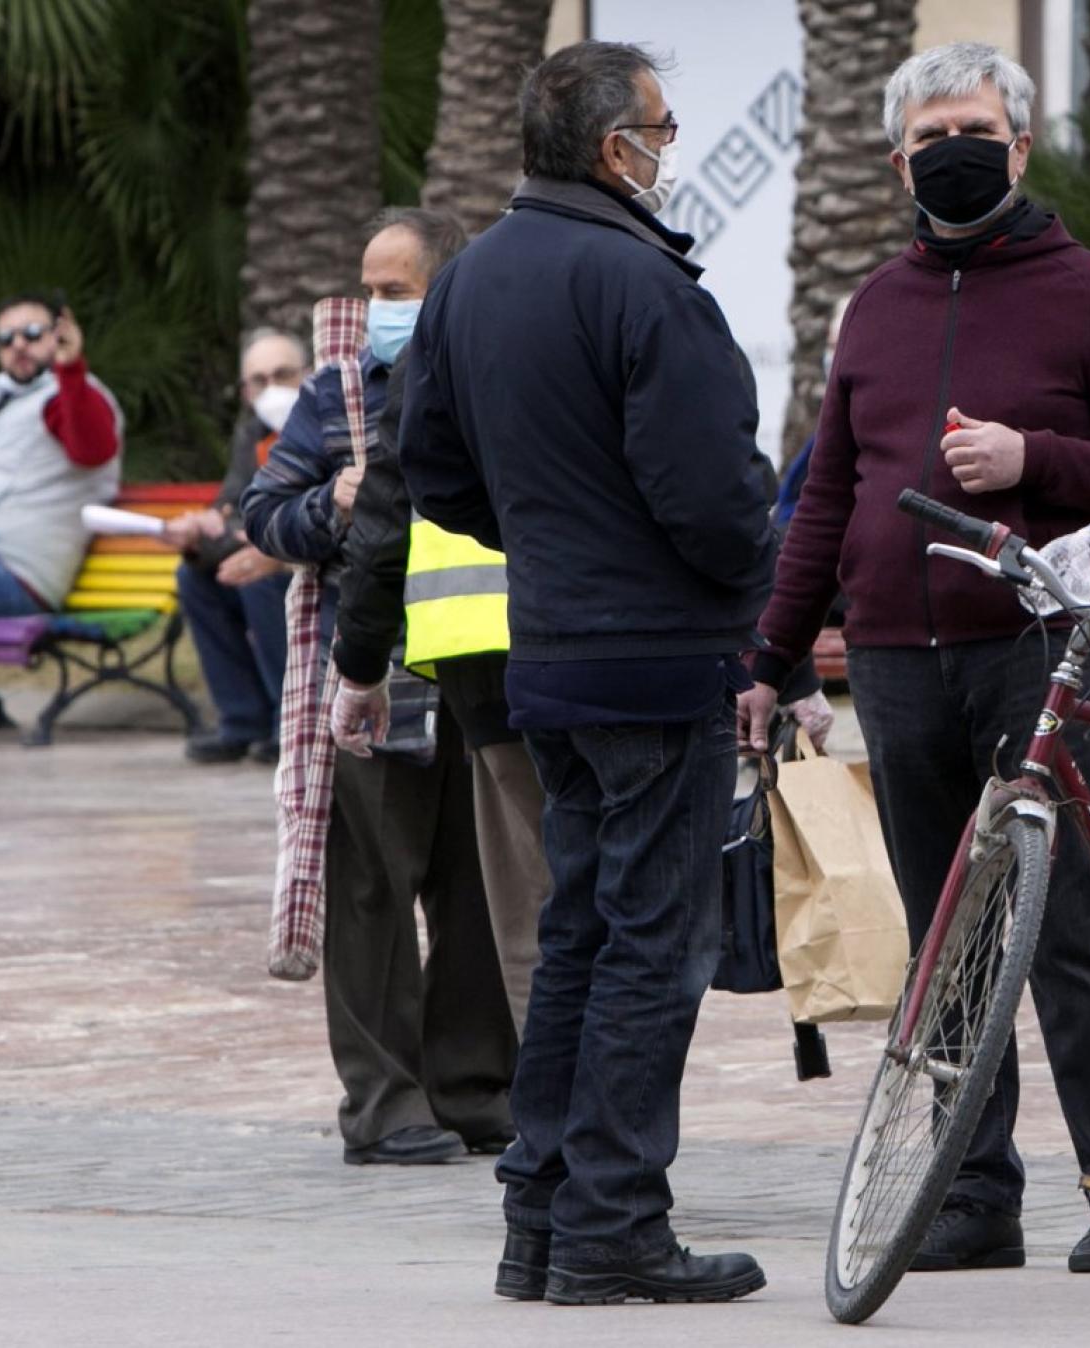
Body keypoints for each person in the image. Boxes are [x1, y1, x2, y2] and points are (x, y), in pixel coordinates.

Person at [739, 41, 1090, 1276]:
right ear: (898, 161)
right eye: (932, 134)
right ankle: (974, 1191)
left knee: (1060, 927)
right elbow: (827, 495)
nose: (954, 149)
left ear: (1022, 145)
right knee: (947, 942)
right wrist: (772, 655)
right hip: (893, 657)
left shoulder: (1088, 288)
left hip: (1038, 647)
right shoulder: (874, 307)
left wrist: (1034, 458)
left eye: (974, 128)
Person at [398, 41, 775, 1307]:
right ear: (618, 151)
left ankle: (545, 1219)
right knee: (647, 945)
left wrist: (552, 538)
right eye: (659, 130)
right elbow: (715, 498)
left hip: (547, 653)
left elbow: (431, 466)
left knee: (578, 932)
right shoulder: (640, 281)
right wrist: (732, 584)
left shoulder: (470, 280)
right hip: (654, 661)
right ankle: (611, 1224)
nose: (668, 150)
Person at [240, 209, 517, 1169]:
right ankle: (384, 1103)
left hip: (482, 676)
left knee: (480, 891)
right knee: (371, 892)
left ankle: (476, 1090)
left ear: (449, 291)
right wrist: (332, 502)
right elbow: (264, 515)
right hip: (378, 683)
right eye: (369, 289)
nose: (374, 310)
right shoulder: (336, 396)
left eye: (396, 292)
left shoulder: (495, 381)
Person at [326, 300, 547, 1038]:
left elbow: (388, 507)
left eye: (393, 285)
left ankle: (552, 1112)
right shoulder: (624, 298)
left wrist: (358, 666)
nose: (377, 306)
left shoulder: (450, 325)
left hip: (474, 654)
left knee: (530, 902)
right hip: (554, 643)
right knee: (573, 895)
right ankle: (568, 1113)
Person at [163, 330, 305, 763]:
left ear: (309, 374)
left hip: (311, 561)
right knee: (195, 576)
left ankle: (292, 722)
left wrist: (265, 545)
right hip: (270, 555)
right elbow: (232, 508)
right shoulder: (252, 435)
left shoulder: (328, 424)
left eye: (283, 374)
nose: (272, 388)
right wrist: (199, 538)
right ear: (246, 392)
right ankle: (242, 721)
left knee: (255, 571)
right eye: (259, 380)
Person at [0, 293, 122, 617]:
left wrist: (71, 369)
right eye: (7, 339)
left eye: (33, 333)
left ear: (60, 335)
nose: (19, 344)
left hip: (12, 574)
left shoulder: (70, 397)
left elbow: (94, 451)